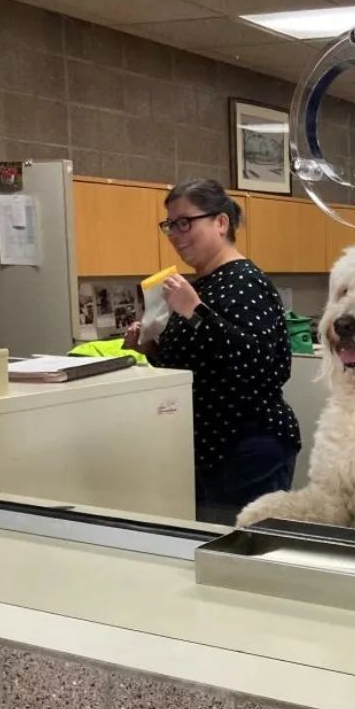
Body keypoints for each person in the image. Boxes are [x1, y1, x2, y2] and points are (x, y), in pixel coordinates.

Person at [126, 180, 301, 525]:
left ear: (221, 223)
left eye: (185, 222)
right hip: (208, 451)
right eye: (170, 225)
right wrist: (149, 348)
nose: (175, 235)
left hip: (247, 448)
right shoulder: (202, 285)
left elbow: (259, 364)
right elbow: (198, 366)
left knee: (243, 550)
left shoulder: (245, 281)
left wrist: (195, 311)